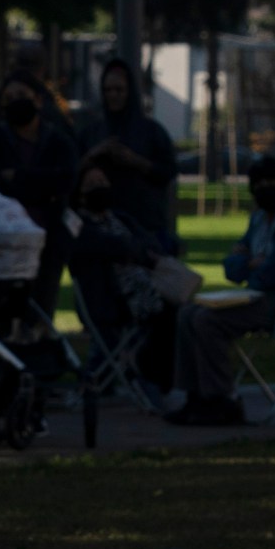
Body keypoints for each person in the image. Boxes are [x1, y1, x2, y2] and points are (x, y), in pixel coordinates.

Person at [164, 155, 275, 427]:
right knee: (187, 313)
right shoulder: (260, 220)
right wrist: (252, 264)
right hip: (259, 296)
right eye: (258, 184)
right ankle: (196, 397)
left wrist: (249, 265)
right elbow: (231, 267)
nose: (265, 188)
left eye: (271, 182)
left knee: (207, 321)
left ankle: (221, 399)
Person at [0, 70, 82, 322]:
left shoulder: (58, 139)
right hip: (3, 236)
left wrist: (19, 177)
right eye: (9, 97)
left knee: (42, 302)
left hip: (49, 233)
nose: (16, 102)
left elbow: (66, 179)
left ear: (38, 100)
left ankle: (38, 340)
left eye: (22, 95)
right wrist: (41, 182)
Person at [67, 166, 178, 388]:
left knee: (174, 312)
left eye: (102, 182)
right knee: (164, 313)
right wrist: (133, 251)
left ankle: (148, 377)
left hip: (141, 289)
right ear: (80, 193)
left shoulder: (121, 218)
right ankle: (147, 375)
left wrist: (133, 250)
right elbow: (114, 246)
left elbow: (150, 245)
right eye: (92, 185)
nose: (100, 188)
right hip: (108, 298)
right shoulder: (77, 225)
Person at [75, 57, 182, 258]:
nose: (113, 96)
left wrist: (135, 161)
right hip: (100, 226)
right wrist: (95, 155)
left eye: (119, 90)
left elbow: (167, 171)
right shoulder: (91, 132)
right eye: (108, 90)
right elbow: (72, 170)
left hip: (143, 223)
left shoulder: (151, 132)